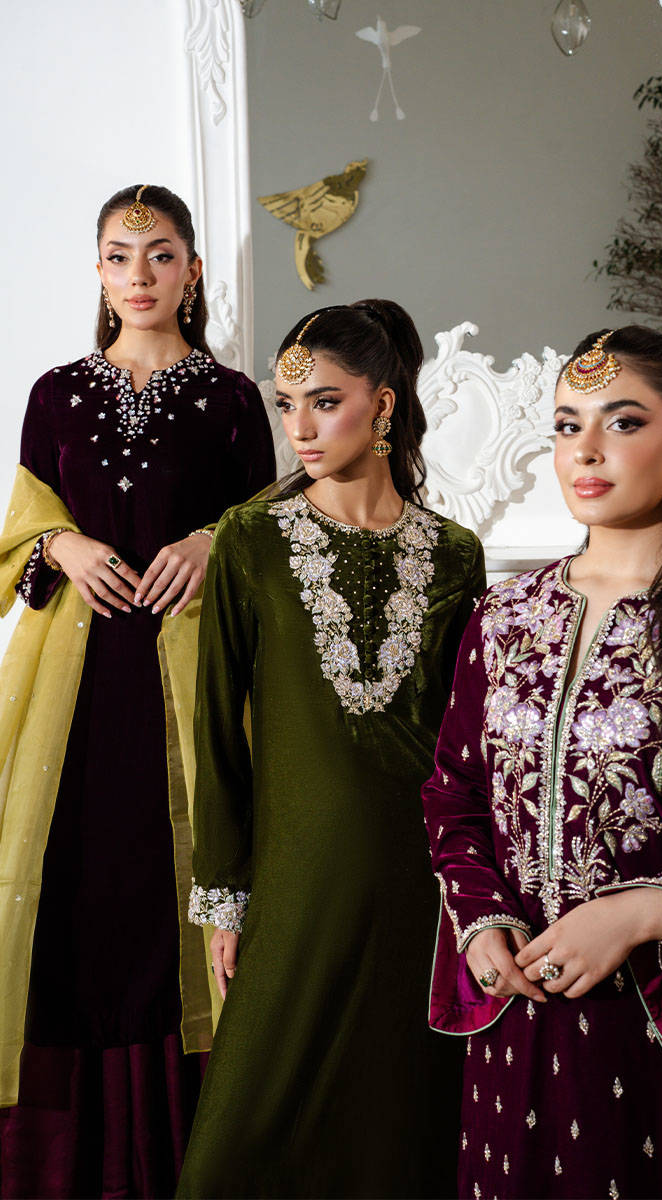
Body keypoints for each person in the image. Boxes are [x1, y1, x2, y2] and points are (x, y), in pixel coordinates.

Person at [422, 326, 662, 1199]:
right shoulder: (502, 616)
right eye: (567, 424)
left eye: (622, 422)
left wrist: (638, 913)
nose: (584, 450)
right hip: (514, 1019)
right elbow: (455, 789)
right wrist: (479, 920)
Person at [0, 184, 275, 1199]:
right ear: (99, 273)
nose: (140, 275)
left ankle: (181, 1152)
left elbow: (270, 526)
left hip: (187, 677)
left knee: (173, 884)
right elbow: (25, 523)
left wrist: (210, 539)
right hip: (74, 690)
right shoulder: (55, 394)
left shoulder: (234, 399)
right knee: (74, 885)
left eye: (160, 254)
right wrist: (60, 544)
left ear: (192, 271)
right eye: (120, 256)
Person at [176, 300, 485, 1199]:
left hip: (419, 881)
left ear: (382, 405)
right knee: (242, 1137)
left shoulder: (454, 554)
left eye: (324, 401)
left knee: (396, 1117)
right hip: (296, 878)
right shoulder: (249, 539)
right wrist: (225, 893)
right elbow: (216, 730)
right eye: (286, 405)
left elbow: (463, 744)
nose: (300, 428)